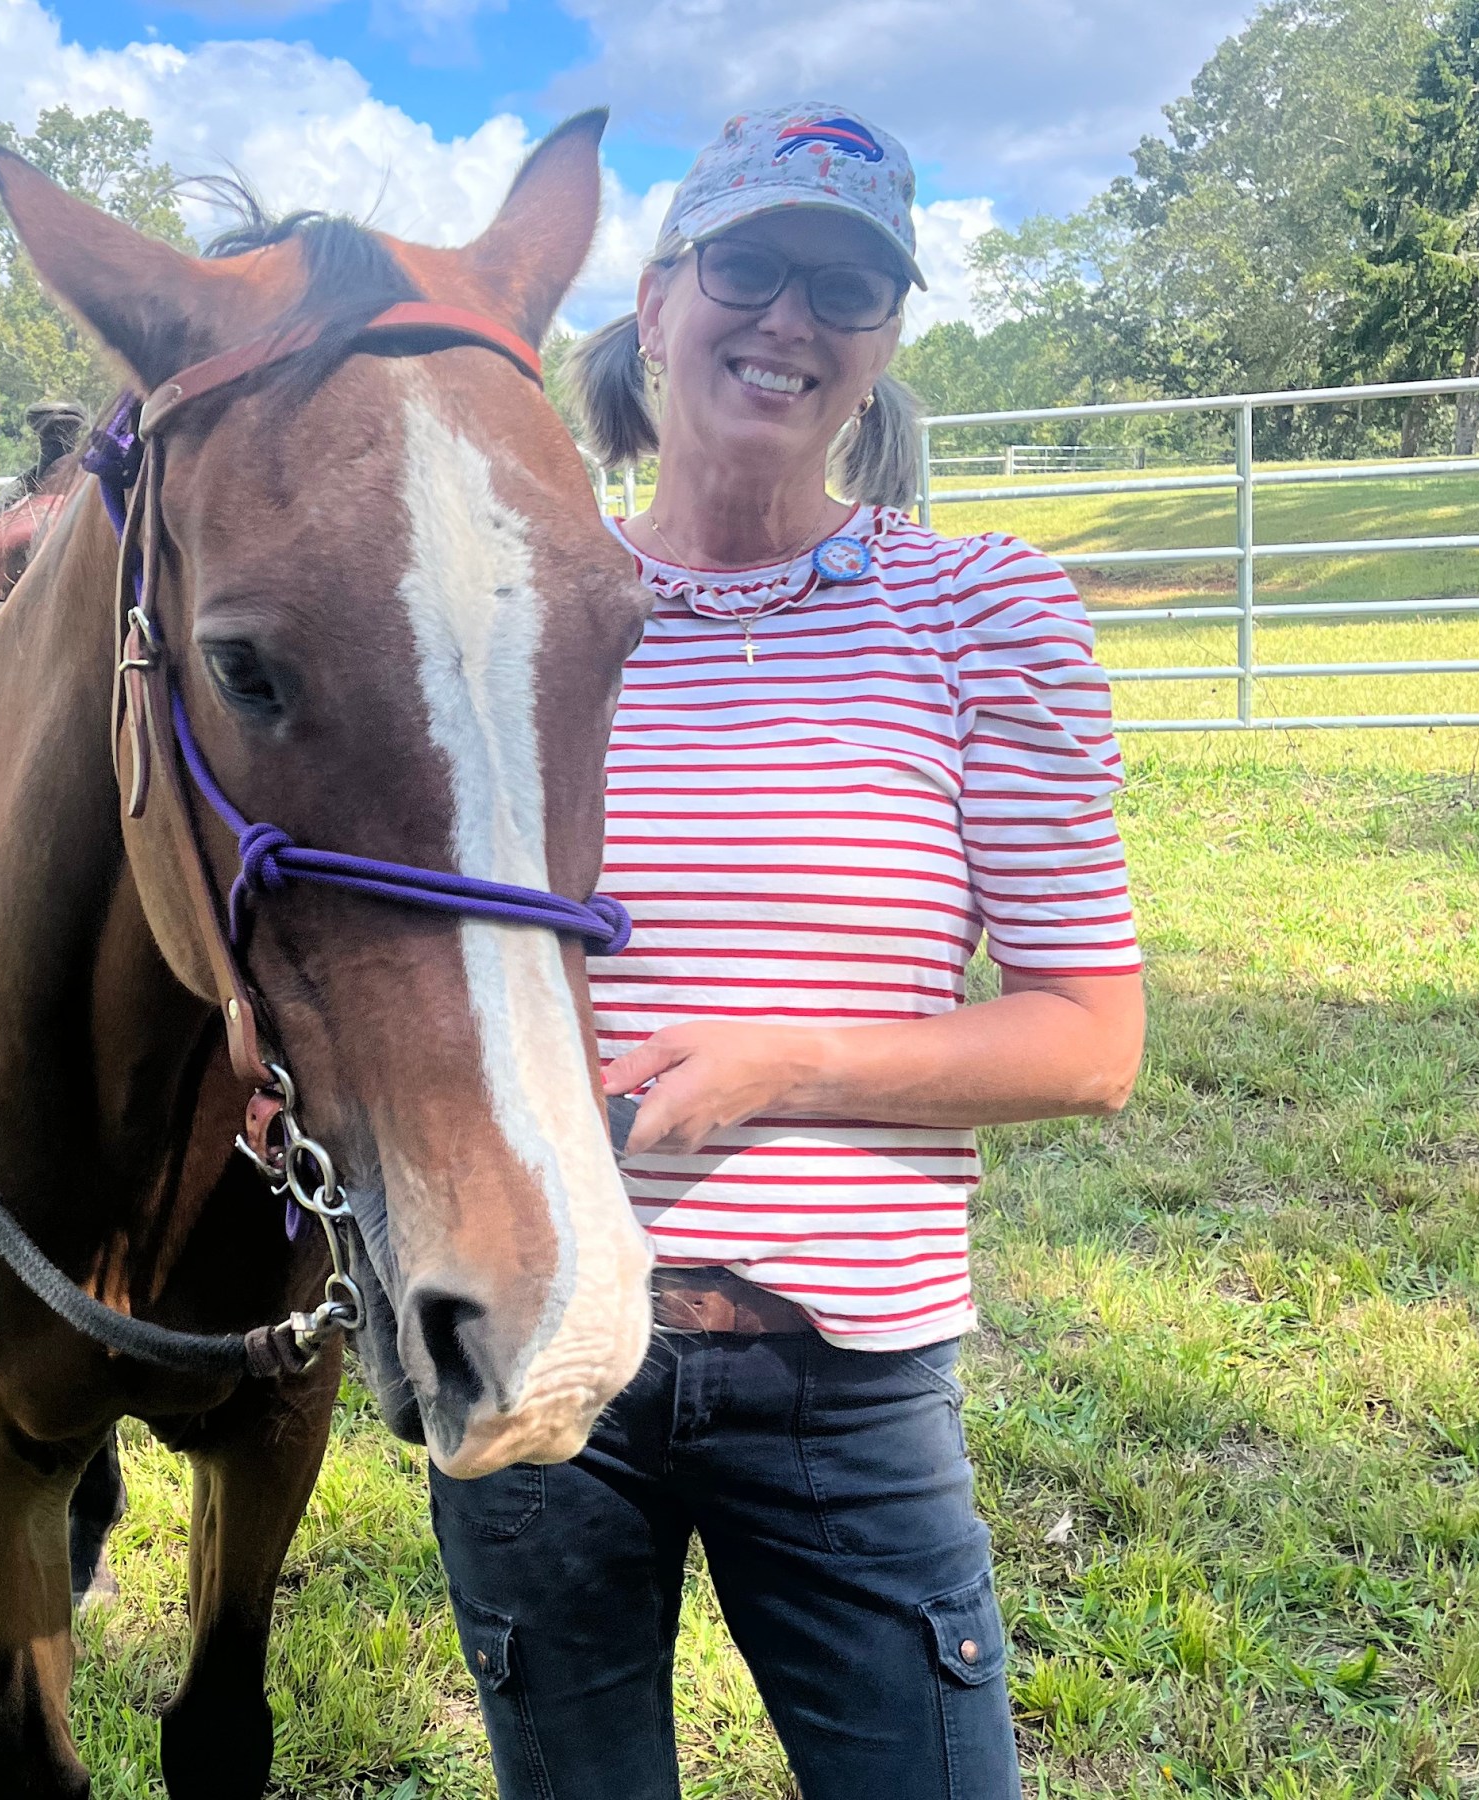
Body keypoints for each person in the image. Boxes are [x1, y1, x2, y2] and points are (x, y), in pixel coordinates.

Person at [428, 103, 1147, 1798]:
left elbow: (1087, 1039)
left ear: (888, 340)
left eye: (847, 288)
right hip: (539, 1351)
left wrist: (784, 1061)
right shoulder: (501, 617)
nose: (790, 322)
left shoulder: (984, 614)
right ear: (660, 295)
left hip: (848, 1377)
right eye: (750, 266)